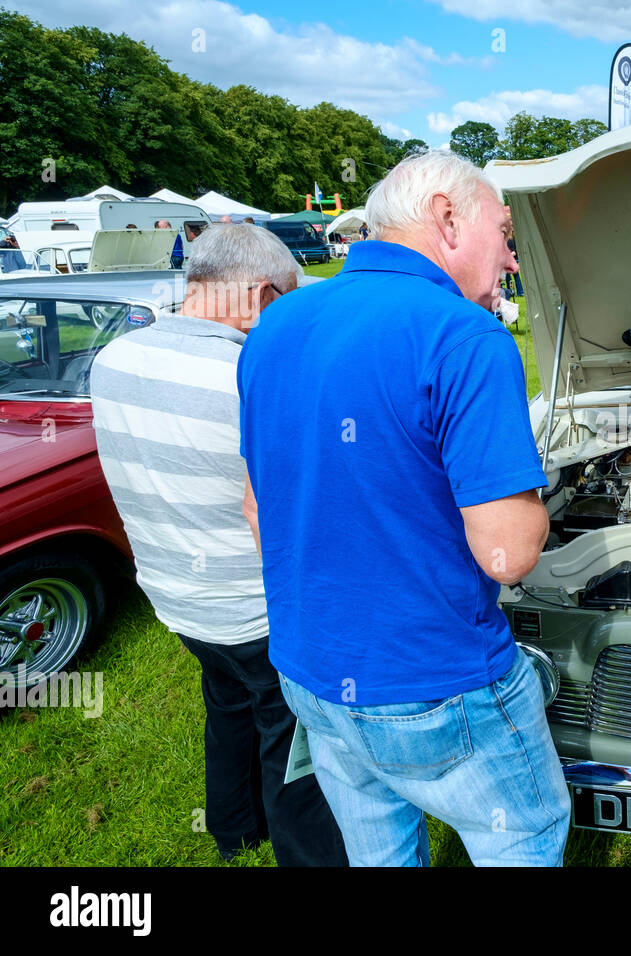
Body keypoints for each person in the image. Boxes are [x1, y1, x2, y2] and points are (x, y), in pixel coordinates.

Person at [237, 149, 569, 867]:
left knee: (379, 856)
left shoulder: (276, 324)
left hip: (308, 673)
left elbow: (259, 509)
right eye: (506, 235)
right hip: (437, 684)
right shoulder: (466, 336)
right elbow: (509, 557)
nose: (513, 261)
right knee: (527, 835)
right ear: (447, 217)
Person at [89, 225, 348, 866]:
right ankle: (306, 854)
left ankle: (232, 829)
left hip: (173, 595)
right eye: (286, 300)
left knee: (227, 703)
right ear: (260, 296)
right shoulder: (251, 375)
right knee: (291, 744)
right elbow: (299, 503)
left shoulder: (113, 357)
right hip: (250, 608)